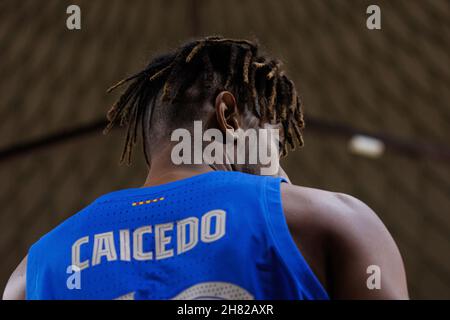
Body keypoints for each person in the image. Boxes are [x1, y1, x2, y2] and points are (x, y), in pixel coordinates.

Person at [3, 37, 408, 300]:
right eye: (275, 143)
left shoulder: (32, 273)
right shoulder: (329, 220)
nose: (282, 169)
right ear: (229, 115)